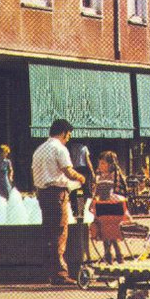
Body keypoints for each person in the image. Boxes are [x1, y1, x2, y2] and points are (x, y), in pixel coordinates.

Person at [31, 119, 85, 286]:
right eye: (68, 135)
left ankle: (48, 272)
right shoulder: (59, 148)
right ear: (63, 133)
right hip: (57, 194)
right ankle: (60, 274)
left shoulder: (39, 149)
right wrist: (81, 177)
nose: (68, 138)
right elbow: (68, 172)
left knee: (48, 232)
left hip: (42, 194)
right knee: (60, 233)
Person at [92, 151, 129, 264]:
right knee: (104, 235)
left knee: (112, 234)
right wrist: (92, 203)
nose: (100, 166)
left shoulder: (116, 176)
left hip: (113, 208)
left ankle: (119, 258)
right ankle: (108, 259)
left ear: (111, 164)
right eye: (99, 163)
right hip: (102, 207)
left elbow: (120, 193)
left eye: (103, 163)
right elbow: (96, 192)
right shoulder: (99, 177)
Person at [68, 137, 94, 217]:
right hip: (83, 169)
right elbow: (87, 160)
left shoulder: (71, 147)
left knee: (74, 190)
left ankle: (74, 210)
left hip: (74, 169)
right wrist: (92, 172)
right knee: (85, 190)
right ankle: (83, 209)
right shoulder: (84, 148)